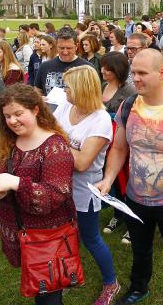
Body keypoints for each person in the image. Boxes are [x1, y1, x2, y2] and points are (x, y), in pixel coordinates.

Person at [95, 49, 163, 305]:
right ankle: (138, 287)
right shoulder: (129, 105)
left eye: (142, 73)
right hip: (135, 199)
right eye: (134, 72)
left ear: (162, 73)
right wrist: (109, 178)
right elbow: (120, 148)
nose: (136, 78)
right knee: (140, 250)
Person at [0, 84, 76, 305]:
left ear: (36, 110)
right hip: (21, 235)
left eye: (18, 113)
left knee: (48, 295)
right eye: (8, 116)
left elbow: (55, 195)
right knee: (39, 287)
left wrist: (16, 183)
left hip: (48, 240)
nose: (12, 121)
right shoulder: (7, 143)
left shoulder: (54, 147)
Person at [53, 67, 120, 305]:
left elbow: (82, 163)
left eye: (68, 86)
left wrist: (56, 143)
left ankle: (111, 283)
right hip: (59, 186)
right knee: (65, 235)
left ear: (81, 89)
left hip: (84, 191)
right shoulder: (65, 106)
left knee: (91, 238)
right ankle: (72, 274)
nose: (63, 90)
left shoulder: (100, 119)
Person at [99, 52, 136, 241]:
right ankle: (118, 214)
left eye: (108, 68)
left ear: (118, 70)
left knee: (126, 183)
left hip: (123, 145)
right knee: (112, 182)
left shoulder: (129, 91)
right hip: (105, 144)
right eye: (102, 66)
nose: (103, 71)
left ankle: (132, 223)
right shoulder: (104, 86)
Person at [34, 27, 92, 95]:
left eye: (69, 48)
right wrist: (40, 99)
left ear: (76, 46)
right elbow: (37, 90)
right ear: (56, 45)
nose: (65, 52)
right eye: (61, 48)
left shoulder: (87, 68)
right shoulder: (45, 66)